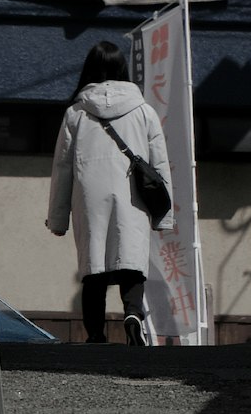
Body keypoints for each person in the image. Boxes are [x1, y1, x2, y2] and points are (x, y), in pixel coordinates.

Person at [47, 41, 171, 346]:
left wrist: (58, 219)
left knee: (94, 264)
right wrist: (164, 217)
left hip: (89, 197)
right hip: (133, 196)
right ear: (122, 69)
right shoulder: (144, 111)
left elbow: (62, 169)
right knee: (131, 258)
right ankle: (132, 315)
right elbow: (159, 164)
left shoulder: (76, 113)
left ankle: (96, 335)